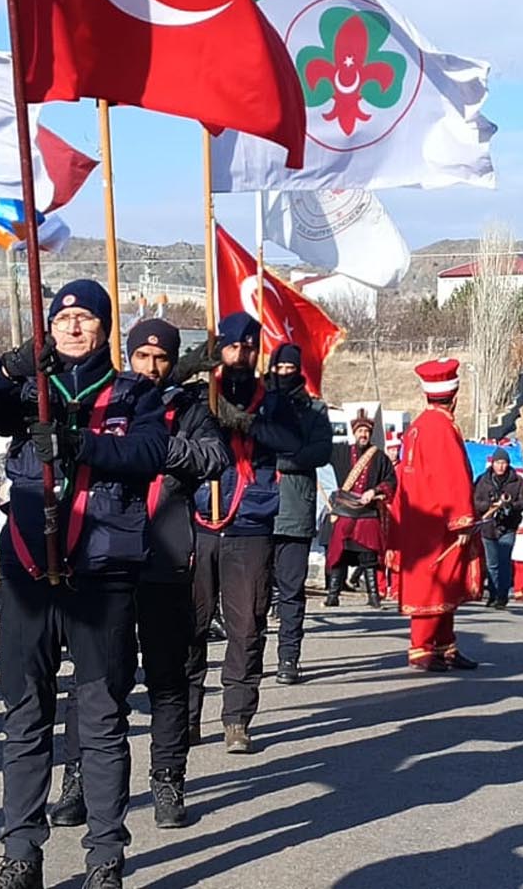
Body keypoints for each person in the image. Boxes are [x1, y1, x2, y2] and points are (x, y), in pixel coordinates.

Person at [0, 278, 164, 889]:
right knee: (25, 717)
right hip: (28, 574)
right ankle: (21, 852)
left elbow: (150, 453)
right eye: (62, 317)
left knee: (100, 719)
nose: (73, 326)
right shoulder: (29, 391)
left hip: (101, 575)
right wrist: (14, 364)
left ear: (104, 327)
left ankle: (105, 857)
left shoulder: (133, 393)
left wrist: (78, 443)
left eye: (85, 318)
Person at [194, 314, 332, 750]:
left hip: (251, 524)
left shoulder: (272, 401)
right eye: (234, 346)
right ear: (220, 349)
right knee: (191, 626)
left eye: (251, 347)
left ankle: (237, 717)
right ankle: (187, 713)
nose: (242, 355)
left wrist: (246, 422)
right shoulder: (201, 393)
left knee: (248, 626)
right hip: (200, 521)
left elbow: (291, 442)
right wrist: (194, 374)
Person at [122, 318, 227, 831]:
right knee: (100, 679)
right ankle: (80, 776)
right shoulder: (110, 402)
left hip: (167, 558)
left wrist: (160, 450)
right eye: (142, 356)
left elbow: (214, 457)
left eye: (161, 357)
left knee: (168, 679)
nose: (151, 366)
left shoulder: (189, 409)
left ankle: (168, 778)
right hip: (109, 556)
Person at [388, 358, 481, 671]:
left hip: (419, 518)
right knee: (433, 582)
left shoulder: (419, 425)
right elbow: (452, 477)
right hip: (436, 520)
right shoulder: (441, 428)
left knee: (445, 581)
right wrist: (463, 519)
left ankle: (445, 645)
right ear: (454, 396)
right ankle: (422, 647)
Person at [261, 345, 331, 686]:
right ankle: (250, 656)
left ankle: (288, 656)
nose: (284, 372)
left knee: (291, 592)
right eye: (280, 367)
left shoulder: (314, 409)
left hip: (295, 512)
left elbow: (320, 452)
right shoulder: (257, 404)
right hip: (255, 510)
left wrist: (279, 457)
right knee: (254, 594)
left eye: (290, 367)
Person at [324, 411, 393, 608]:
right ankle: (332, 596)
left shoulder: (379, 457)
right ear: (354, 433)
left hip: (367, 513)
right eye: (360, 431)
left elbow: (390, 481)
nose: (363, 434)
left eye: (366, 431)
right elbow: (321, 450)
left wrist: (375, 490)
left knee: (369, 556)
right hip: (344, 511)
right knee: (339, 554)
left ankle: (373, 597)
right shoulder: (341, 452)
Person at [473, 449, 523, 608]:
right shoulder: (483, 480)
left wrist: (510, 505)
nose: (501, 466)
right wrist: (489, 505)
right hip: (488, 526)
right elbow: (475, 501)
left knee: (504, 562)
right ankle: (493, 594)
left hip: (508, 526)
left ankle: (502, 596)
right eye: (498, 463)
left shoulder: (517, 481)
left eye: (503, 463)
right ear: (493, 463)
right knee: (492, 564)